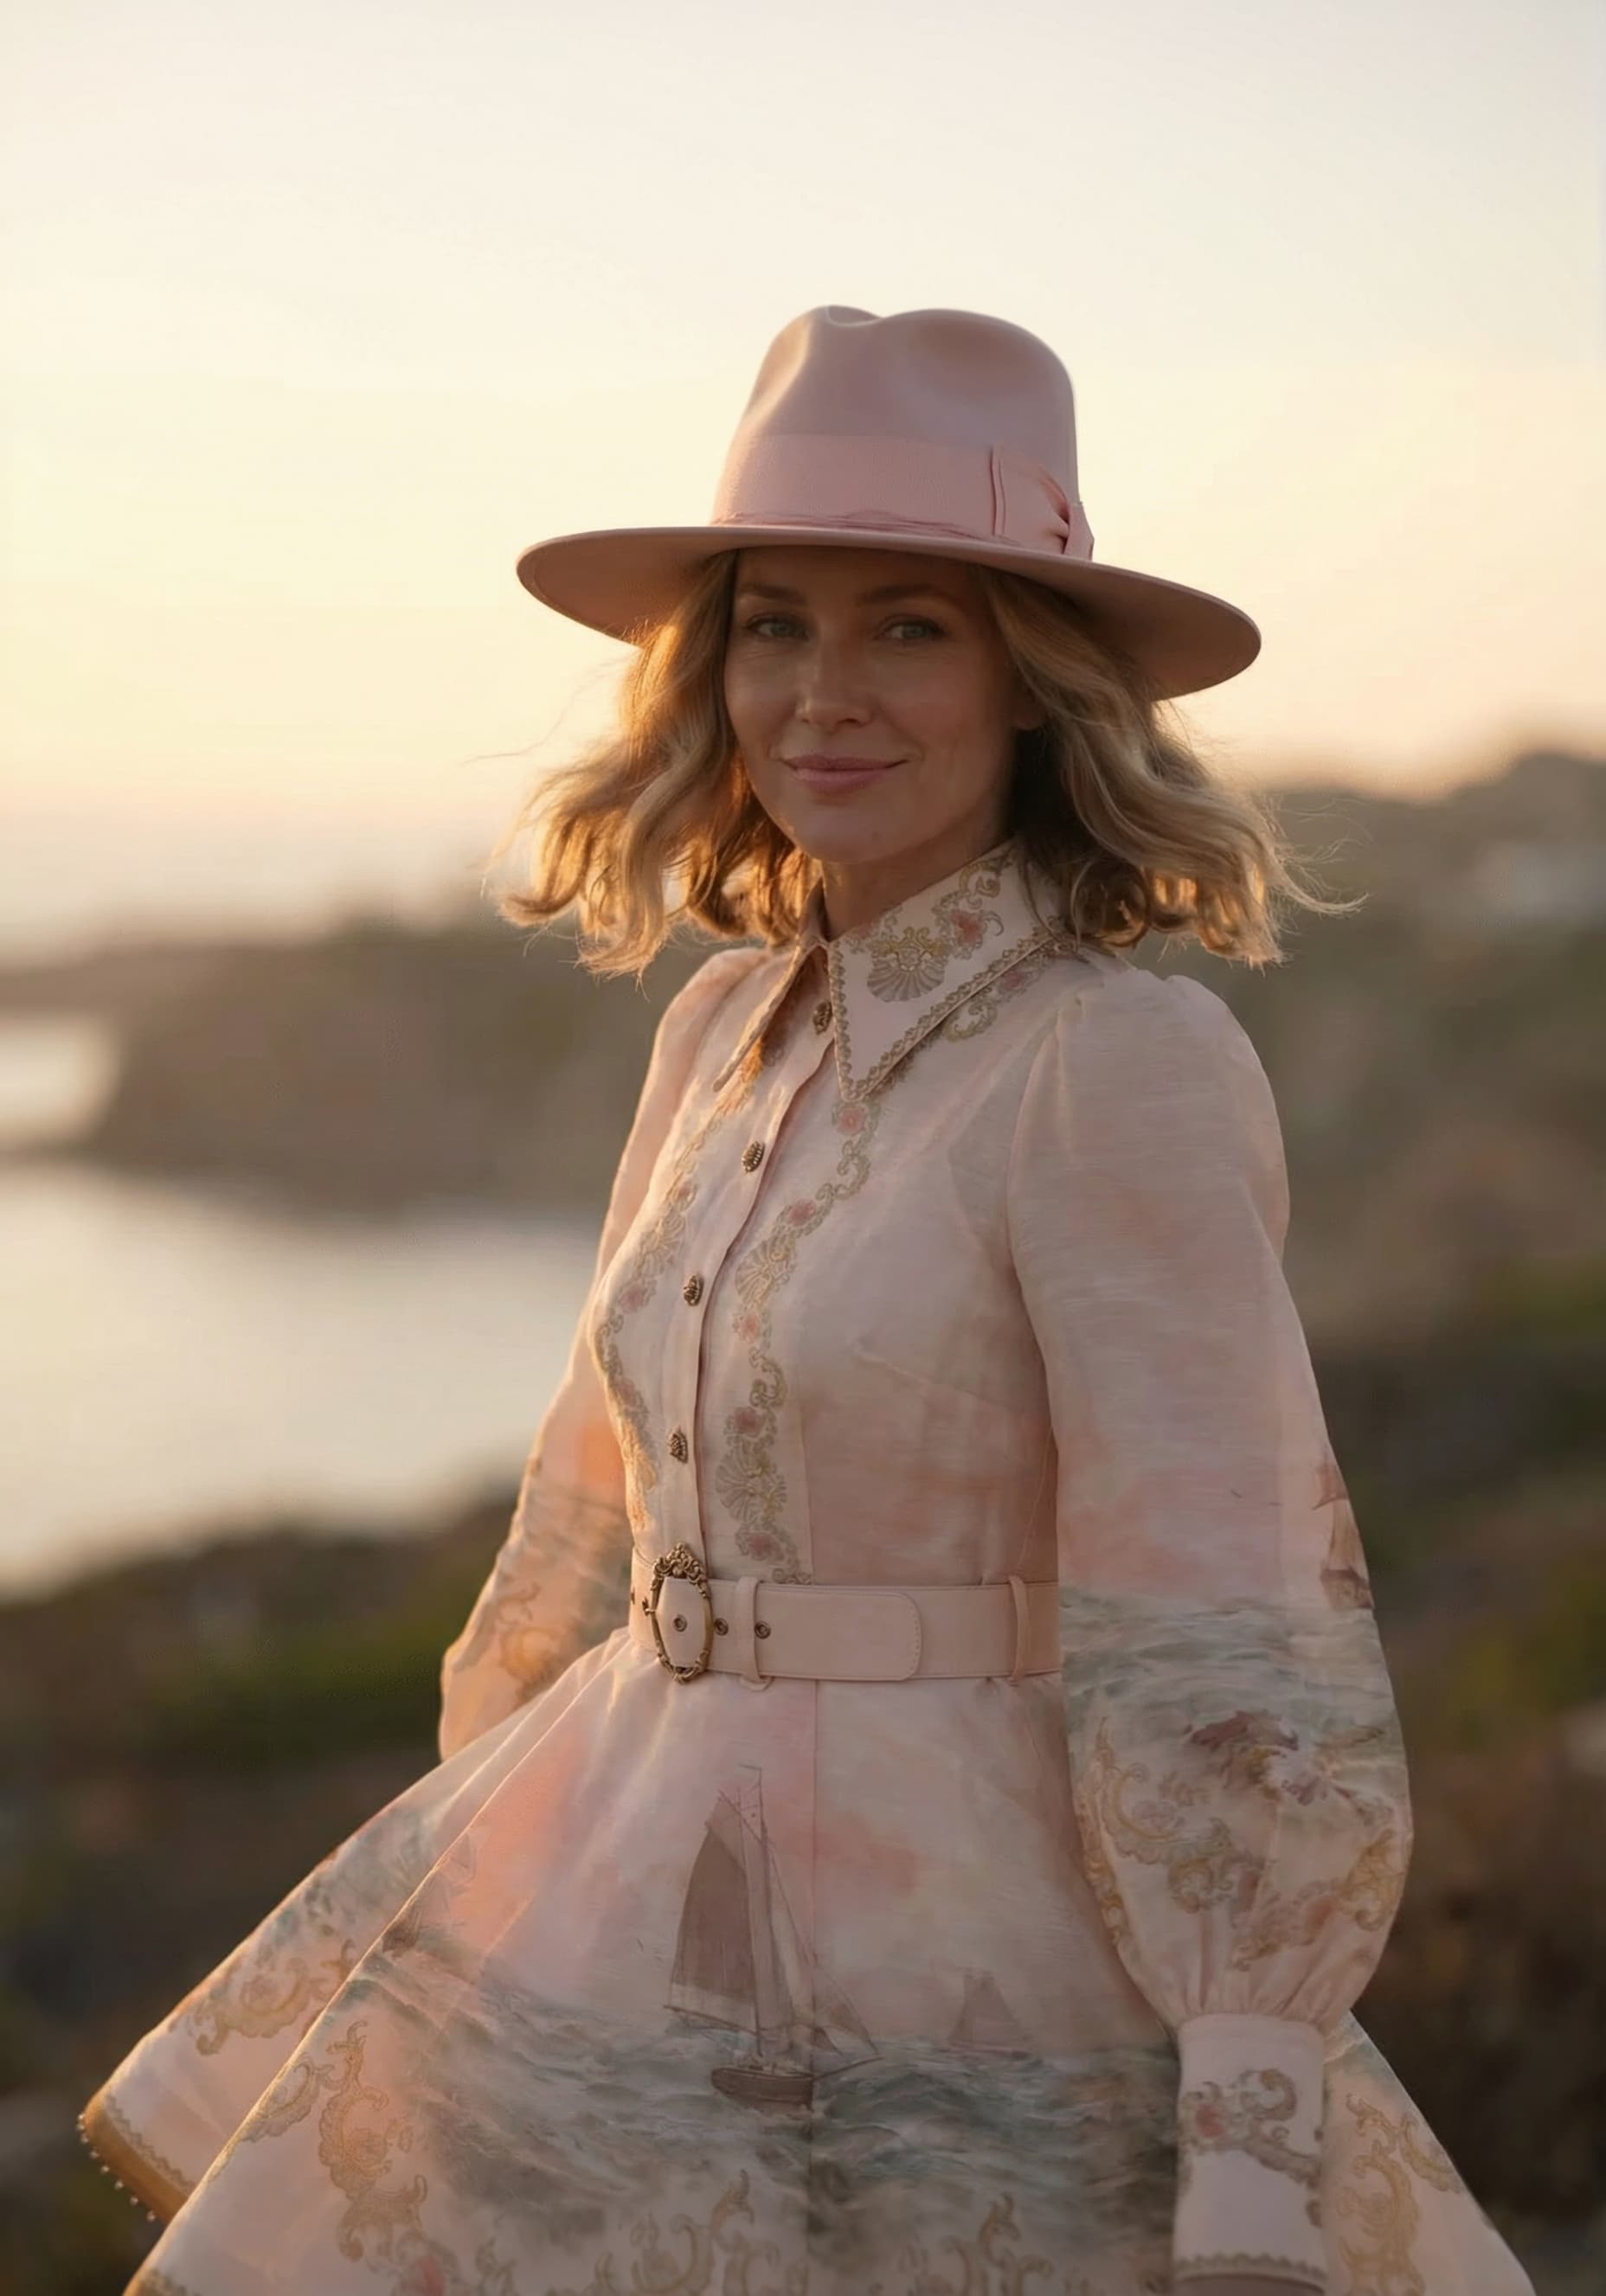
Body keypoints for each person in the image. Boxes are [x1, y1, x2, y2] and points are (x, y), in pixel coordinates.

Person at [79, 305, 1536, 2295]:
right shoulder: (717, 1029)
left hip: (973, 1974)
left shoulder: (1112, 1058)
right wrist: (485, 1843)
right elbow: (588, 1499)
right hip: (627, 1911)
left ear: (1034, 683)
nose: (822, 693)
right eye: (774, 626)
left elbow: (1221, 1597)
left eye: (908, 628)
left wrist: (1251, 2116)